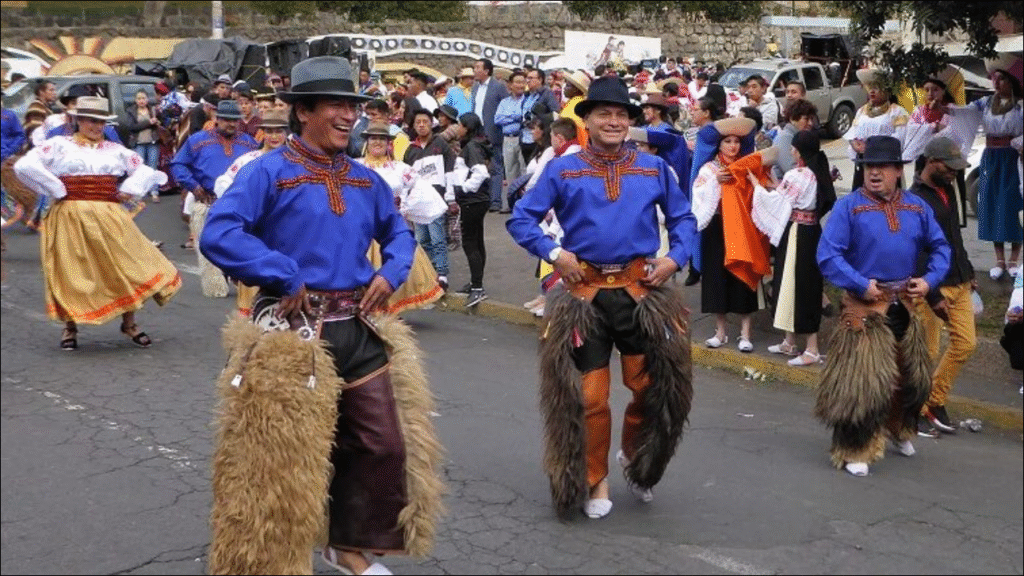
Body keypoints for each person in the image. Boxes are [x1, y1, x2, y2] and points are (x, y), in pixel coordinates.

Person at [200, 56, 444, 576]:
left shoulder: (365, 180)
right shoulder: (267, 171)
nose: (347, 116)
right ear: (303, 111)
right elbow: (219, 233)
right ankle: (266, 562)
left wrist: (392, 270)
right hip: (291, 335)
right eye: (336, 105)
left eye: (352, 106)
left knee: (382, 443)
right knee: (281, 463)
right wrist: (282, 272)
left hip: (356, 325)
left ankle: (344, 545)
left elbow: (398, 234)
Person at [507, 77, 697, 520]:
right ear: (586, 120)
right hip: (583, 297)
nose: (613, 122)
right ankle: (595, 477)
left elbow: (684, 218)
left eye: (621, 115)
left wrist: (675, 258)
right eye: (603, 114)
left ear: (631, 122)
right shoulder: (562, 169)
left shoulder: (653, 169)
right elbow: (522, 219)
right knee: (591, 398)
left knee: (649, 389)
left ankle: (635, 455)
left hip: (642, 294)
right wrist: (555, 253)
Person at [815, 135, 950, 477]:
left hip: (904, 303)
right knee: (863, 385)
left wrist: (930, 280)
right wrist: (861, 283)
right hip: (864, 310)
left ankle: (900, 429)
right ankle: (854, 447)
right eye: (868, 167)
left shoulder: (917, 207)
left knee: (912, 378)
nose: (874, 173)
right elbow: (828, 255)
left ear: (898, 172)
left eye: (882, 167)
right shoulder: (849, 208)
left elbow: (940, 247)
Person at [13, 96, 180, 350]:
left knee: (125, 266)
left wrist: (130, 188)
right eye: (91, 121)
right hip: (69, 215)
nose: (97, 126)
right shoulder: (58, 145)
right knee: (72, 271)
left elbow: (144, 169)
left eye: (101, 121)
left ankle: (129, 323)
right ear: (78, 120)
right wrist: (56, 188)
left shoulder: (115, 150)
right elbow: (25, 165)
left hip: (110, 216)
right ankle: (70, 328)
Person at [907, 137, 977, 436]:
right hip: (933, 287)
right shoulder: (914, 199)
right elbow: (918, 252)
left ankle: (934, 401)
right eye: (949, 168)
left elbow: (954, 236)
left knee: (966, 344)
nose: (954, 173)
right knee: (928, 352)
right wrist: (933, 295)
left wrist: (969, 270)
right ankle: (917, 411)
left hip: (959, 280)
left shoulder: (947, 189)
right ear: (932, 162)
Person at [750, 130, 836, 366]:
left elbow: (777, 201)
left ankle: (811, 348)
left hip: (798, 233)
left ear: (798, 151)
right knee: (792, 284)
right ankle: (790, 341)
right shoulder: (817, 173)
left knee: (800, 286)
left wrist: (756, 186)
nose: (790, 150)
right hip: (809, 231)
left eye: (793, 147)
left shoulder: (797, 174)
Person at [691, 117, 772, 353]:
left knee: (743, 276)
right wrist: (715, 182)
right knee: (717, 279)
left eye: (737, 141)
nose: (733, 146)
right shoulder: (709, 169)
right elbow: (697, 194)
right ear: (719, 144)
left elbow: (758, 193)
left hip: (742, 228)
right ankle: (721, 332)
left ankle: (745, 333)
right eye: (728, 141)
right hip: (716, 228)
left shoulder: (746, 167)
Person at [171, 100, 259, 298]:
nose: (231, 124)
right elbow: (178, 165)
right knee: (209, 248)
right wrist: (193, 186)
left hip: (240, 204)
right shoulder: (198, 140)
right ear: (217, 119)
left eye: (235, 120)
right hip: (207, 201)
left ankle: (241, 282)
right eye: (227, 120)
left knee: (240, 246)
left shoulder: (249, 142)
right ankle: (216, 287)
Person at [356, 118, 445, 311]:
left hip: (392, 229)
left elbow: (422, 190)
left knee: (394, 270)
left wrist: (405, 208)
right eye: (373, 138)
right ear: (367, 142)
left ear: (389, 143)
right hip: (363, 230)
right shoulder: (356, 167)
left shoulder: (400, 169)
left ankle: (388, 312)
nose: (377, 142)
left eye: (382, 138)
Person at [211, 109, 291, 317]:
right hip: (258, 230)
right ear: (262, 133)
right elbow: (224, 182)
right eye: (269, 131)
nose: (274, 137)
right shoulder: (249, 160)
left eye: (279, 131)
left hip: (288, 230)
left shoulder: (295, 161)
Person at [965, 55, 1023, 280]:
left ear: (1011, 81)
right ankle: (999, 259)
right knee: (993, 204)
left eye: (1001, 79)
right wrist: (947, 109)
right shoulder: (985, 103)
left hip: (1013, 159)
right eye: (994, 79)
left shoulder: (1019, 106)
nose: (996, 83)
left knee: (1013, 204)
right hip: (991, 158)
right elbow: (966, 114)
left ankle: (1014, 259)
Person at [403, 108, 455, 292]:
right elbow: (406, 178)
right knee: (422, 239)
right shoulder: (411, 150)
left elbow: (450, 170)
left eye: (425, 121)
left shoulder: (440, 144)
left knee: (438, 238)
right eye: (418, 122)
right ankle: (429, 272)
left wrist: (450, 197)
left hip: (436, 200)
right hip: (419, 202)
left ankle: (442, 273)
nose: (422, 125)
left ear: (431, 124)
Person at [447, 112, 493, 306]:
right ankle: (476, 282)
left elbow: (480, 173)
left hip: (472, 201)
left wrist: (463, 189)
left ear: (467, 127)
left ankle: (477, 288)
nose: (457, 128)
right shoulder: (477, 144)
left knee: (470, 242)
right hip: (478, 200)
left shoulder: (472, 147)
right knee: (477, 241)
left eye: (460, 125)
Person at [845, 68, 910, 191]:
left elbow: (899, 139)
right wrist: (854, 144)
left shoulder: (897, 112)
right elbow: (853, 132)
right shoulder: (861, 111)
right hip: (864, 162)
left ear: (887, 91)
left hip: (885, 163)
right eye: (870, 87)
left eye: (877, 87)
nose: (872, 91)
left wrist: (872, 147)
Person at [471, 58, 509, 212]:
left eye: (477, 67)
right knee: (479, 167)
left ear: (486, 71)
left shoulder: (498, 87)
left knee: (495, 167)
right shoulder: (475, 87)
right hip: (477, 132)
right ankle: (484, 199)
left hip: (493, 132)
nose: (474, 70)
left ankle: (495, 201)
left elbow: (506, 106)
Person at [494, 70, 529, 213]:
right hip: (508, 139)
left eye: (523, 82)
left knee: (524, 170)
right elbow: (497, 119)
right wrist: (515, 117)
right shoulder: (504, 102)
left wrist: (511, 117)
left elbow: (525, 118)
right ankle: (511, 203)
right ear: (510, 85)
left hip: (522, 137)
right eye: (517, 82)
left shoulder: (527, 100)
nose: (520, 85)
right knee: (510, 171)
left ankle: (525, 203)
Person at [125, 90, 161, 202]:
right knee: (139, 168)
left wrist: (157, 122)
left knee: (153, 167)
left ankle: (154, 192)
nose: (141, 101)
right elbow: (131, 127)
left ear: (147, 99)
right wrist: (149, 123)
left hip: (152, 142)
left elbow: (161, 123)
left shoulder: (153, 109)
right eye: (139, 98)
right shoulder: (131, 111)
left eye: (144, 98)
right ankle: (139, 193)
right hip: (138, 143)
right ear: (135, 100)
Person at [772, 99, 818, 179]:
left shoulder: (801, 138)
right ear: (792, 119)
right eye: (806, 119)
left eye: (812, 119)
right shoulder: (784, 138)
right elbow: (793, 170)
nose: (810, 123)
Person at [560, 70, 592, 148]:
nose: (564, 88)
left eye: (567, 85)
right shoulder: (576, 102)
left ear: (575, 90)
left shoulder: (575, 107)